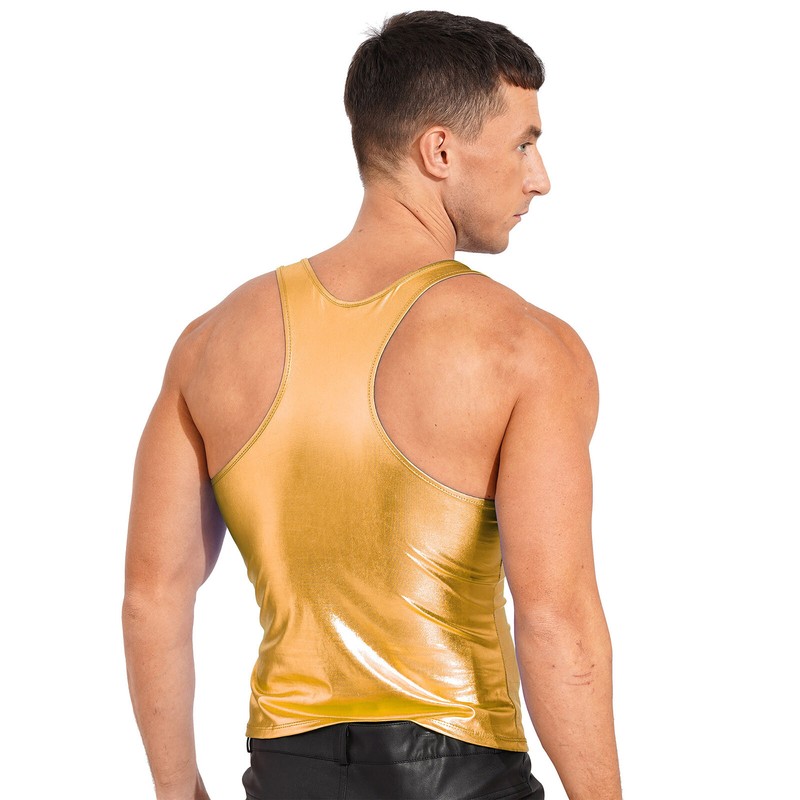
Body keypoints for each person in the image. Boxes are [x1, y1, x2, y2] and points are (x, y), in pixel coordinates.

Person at [122, 10, 622, 800]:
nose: (540, 177)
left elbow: (152, 598)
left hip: (286, 772)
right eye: (524, 143)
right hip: (461, 773)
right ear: (439, 151)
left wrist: (178, 792)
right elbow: (557, 618)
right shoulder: (526, 348)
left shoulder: (211, 342)